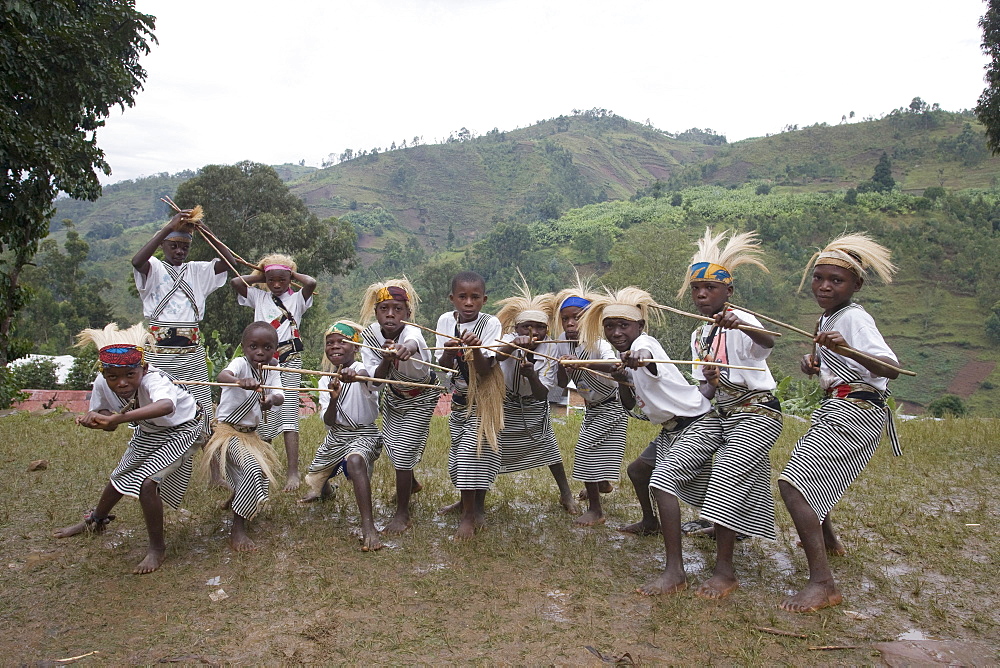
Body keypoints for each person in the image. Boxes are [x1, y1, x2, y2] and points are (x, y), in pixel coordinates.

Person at [779, 233, 901, 613]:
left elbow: (891, 369)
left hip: (857, 410)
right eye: (819, 278)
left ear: (856, 285)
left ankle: (823, 584)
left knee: (792, 484)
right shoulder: (826, 318)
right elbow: (837, 366)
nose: (825, 286)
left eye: (837, 280)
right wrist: (814, 362)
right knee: (811, 480)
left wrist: (847, 348)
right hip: (839, 404)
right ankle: (829, 541)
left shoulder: (854, 317)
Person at [578, 287, 719, 596]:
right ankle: (649, 521)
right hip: (671, 429)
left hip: (697, 424)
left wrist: (637, 358)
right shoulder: (622, 355)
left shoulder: (644, 344)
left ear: (639, 327)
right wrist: (623, 378)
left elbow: (646, 356)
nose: (616, 332)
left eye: (623, 325)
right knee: (638, 471)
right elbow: (630, 404)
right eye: (610, 326)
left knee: (662, 483)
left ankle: (675, 571)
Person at [675, 228, 782, 599]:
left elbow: (768, 342)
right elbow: (704, 391)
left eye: (710, 288)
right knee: (670, 466)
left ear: (728, 292)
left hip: (757, 412)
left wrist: (747, 326)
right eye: (696, 289)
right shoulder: (698, 335)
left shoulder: (742, 320)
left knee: (726, 472)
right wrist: (710, 380)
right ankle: (724, 523)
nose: (702, 295)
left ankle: (725, 571)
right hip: (720, 413)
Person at [54, 323, 202, 574]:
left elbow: (166, 406)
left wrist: (117, 419)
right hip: (149, 429)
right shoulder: (102, 382)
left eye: (129, 375)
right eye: (113, 377)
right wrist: (95, 420)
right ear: (104, 373)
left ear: (142, 369)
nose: (121, 383)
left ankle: (157, 548)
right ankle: (96, 520)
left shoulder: (154, 379)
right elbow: (106, 419)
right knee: (121, 475)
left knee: (147, 483)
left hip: (185, 428)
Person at [131, 209, 235, 485]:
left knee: (203, 410)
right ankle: (155, 471)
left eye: (184, 246)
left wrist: (203, 229)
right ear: (164, 244)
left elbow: (231, 261)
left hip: (191, 352)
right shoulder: (153, 268)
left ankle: (215, 474)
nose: (179, 251)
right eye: (174, 245)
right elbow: (137, 260)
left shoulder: (198, 271)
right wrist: (168, 227)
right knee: (160, 409)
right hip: (159, 353)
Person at [359, 279, 439, 535]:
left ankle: (402, 513)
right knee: (393, 445)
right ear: (376, 312)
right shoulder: (370, 335)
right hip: (394, 395)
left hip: (421, 395)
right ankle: (411, 482)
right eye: (384, 309)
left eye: (397, 309)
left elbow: (414, 342)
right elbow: (374, 381)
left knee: (403, 451)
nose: (391, 314)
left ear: (407, 314)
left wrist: (405, 348)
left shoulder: (411, 332)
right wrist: (386, 359)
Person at [232, 253, 317, 492]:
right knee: (264, 411)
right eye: (272, 280)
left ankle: (292, 472)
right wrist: (260, 275)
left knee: (289, 413)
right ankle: (262, 466)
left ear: (290, 279)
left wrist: (290, 271)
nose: (277, 285)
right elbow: (236, 282)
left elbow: (310, 283)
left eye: (283, 280)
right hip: (262, 361)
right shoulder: (258, 296)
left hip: (289, 358)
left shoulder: (298, 299)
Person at [493, 280, 579, 514]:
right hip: (505, 405)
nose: (533, 332)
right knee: (488, 451)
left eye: (539, 327)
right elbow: (496, 358)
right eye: (527, 327)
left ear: (547, 329)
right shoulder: (506, 341)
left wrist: (531, 375)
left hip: (534, 407)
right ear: (517, 328)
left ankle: (566, 494)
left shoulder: (552, 347)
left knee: (550, 449)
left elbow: (543, 394)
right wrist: (513, 346)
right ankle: (472, 498)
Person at [299, 321, 384, 552]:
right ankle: (327, 491)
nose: (335, 347)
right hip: (336, 436)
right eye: (330, 343)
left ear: (355, 347)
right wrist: (334, 397)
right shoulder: (324, 380)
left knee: (355, 461)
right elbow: (328, 421)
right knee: (317, 479)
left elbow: (373, 379)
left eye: (342, 342)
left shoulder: (363, 370)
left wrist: (354, 375)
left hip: (363, 434)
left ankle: (369, 528)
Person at [434, 271, 504, 540]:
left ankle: (468, 518)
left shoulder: (491, 324)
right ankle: (470, 505)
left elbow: (486, 370)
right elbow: (443, 368)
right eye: (462, 297)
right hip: (460, 398)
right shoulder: (444, 322)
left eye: (475, 297)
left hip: (484, 399)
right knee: (460, 459)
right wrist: (450, 352)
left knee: (472, 455)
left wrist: (474, 350)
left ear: (484, 300)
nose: (468, 302)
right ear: (452, 298)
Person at [553, 279, 628, 527]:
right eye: (566, 319)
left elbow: (614, 366)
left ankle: (596, 510)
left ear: (588, 319)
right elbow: (562, 382)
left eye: (577, 317)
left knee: (586, 451)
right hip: (592, 405)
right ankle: (603, 484)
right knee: (595, 448)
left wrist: (581, 363)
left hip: (612, 403)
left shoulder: (598, 342)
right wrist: (563, 365)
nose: (571, 323)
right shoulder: (562, 340)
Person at [203, 322, 284, 552]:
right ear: (244, 347)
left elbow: (279, 396)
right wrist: (240, 381)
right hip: (228, 432)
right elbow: (222, 375)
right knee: (251, 469)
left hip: (251, 435)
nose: (260, 352)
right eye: (253, 346)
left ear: (274, 349)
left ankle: (238, 498)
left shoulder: (272, 372)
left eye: (267, 347)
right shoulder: (239, 364)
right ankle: (237, 529)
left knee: (261, 475)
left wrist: (270, 400)